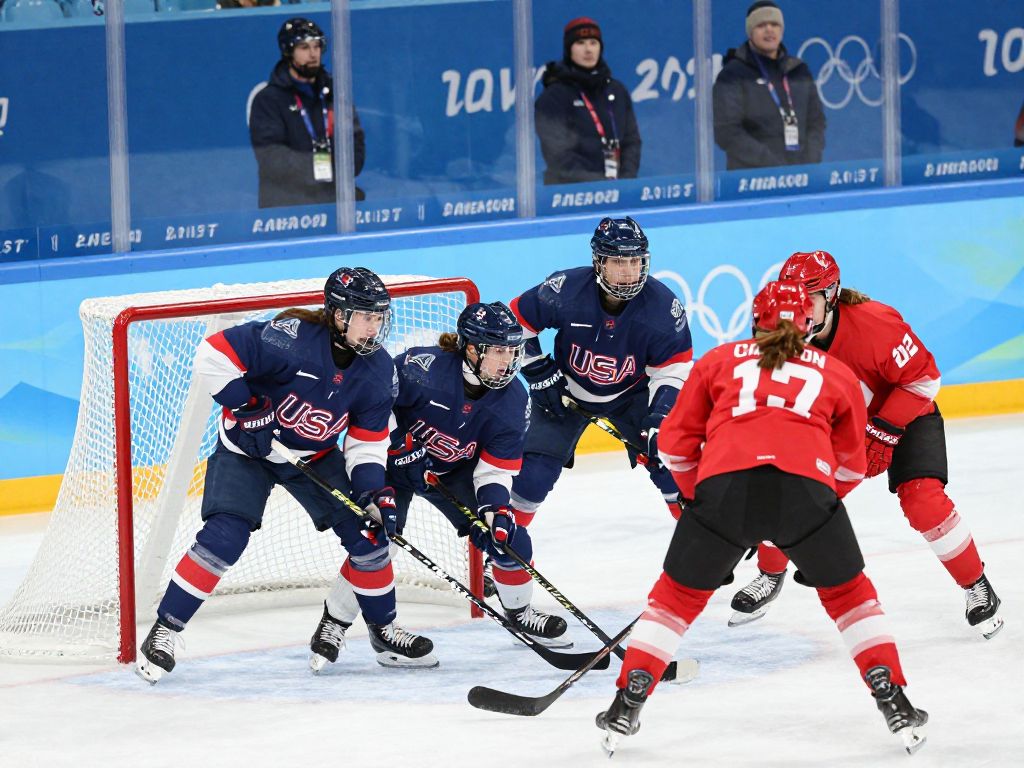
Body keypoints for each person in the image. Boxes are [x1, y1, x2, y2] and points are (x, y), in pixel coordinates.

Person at [596, 280, 928, 757]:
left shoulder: (718, 361)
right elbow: (853, 464)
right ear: (807, 323)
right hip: (807, 492)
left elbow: (672, 446)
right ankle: (892, 697)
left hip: (724, 490)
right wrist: (815, 506)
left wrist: (700, 505)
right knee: (851, 597)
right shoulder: (834, 373)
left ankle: (627, 703)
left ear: (753, 320)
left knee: (675, 601)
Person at [136, 267, 436, 683]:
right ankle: (164, 630)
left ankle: (381, 631)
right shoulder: (290, 338)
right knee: (225, 536)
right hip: (248, 451)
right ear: (337, 315)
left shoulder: (378, 371)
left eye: (379, 316)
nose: (375, 326)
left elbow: (366, 444)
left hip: (314, 456)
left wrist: (371, 491)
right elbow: (212, 355)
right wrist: (246, 405)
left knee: (370, 536)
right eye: (366, 316)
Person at [730, 251, 1004, 639]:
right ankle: (771, 573)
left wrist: (885, 428)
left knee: (923, 499)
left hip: (906, 415)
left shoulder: (875, 325)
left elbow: (924, 379)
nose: (800, 311)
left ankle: (976, 583)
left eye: (810, 300)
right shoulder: (780, 333)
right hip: (839, 426)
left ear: (832, 294)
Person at [308, 302, 570, 671]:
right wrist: (399, 442)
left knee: (510, 537)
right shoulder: (420, 369)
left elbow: (494, 471)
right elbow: (373, 404)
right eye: (497, 351)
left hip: (452, 472)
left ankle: (519, 612)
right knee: (376, 539)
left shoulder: (514, 399)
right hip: (389, 464)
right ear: (471, 348)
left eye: (513, 352)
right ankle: (336, 623)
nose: (507, 362)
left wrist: (494, 509)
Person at [508, 217, 693, 529]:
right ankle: (500, 551)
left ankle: (703, 544)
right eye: (619, 262)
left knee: (671, 466)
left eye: (635, 261)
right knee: (533, 476)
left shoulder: (662, 307)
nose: (629, 271)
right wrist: (537, 369)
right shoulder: (566, 290)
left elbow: (673, 369)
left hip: (633, 396)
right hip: (564, 392)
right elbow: (515, 323)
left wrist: (661, 417)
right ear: (599, 263)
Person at [249, 17, 366, 208]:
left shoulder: (336, 93)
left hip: (333, 199)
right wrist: (320, 168)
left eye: (316, 46)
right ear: (288, 52)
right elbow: (271, 158)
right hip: (288, 205)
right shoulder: (268, 100)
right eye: (304, 47)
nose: (313, 54)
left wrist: (334, 170)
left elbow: (355, 145)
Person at [712, 1, 826, 170]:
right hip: (753, 178)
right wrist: (771, 165)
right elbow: (727, 133)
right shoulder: (732, 74)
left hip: (801, 176)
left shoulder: (799, 71)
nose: (769, 30)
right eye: (761, 25)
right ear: (750, 32)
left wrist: (809, 163)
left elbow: (816, 121)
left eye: (774, 24)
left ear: (782, 30)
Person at [535, 17, 642, 185]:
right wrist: (598, 186)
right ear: (569, 49)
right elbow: (558, 154)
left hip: (617, 191)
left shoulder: (617, 90)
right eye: (580, 43)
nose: (588, 50)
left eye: (593, 42)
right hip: (571, 196)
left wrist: (624, 182)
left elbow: (631, 141)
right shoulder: (554, 96)